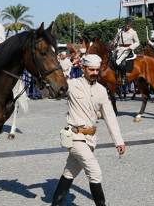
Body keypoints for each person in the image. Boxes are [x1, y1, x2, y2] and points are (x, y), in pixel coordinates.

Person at [51, 54, 125, 206]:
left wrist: (119, 141)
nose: (95, 73)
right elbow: (53, 91)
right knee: (95, 172)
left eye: (97, 70)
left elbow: (110, 117)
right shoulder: (71, 85)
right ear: (83, 68)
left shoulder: (102, 91)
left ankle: (55, 204)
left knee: (69, 172)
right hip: (74, 138)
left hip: (90, 140)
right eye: (91, 70)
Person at [112, 17, 139, 83]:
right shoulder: (120, 31)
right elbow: (115, 40)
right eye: (126, 23)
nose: (127, 25)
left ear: (131, 24)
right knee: (110, 58)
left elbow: (137, 42)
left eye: (129, 23)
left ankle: (123, 77)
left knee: (118, 61)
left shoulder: (133, 32)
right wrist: (114, 43)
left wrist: (131, 47)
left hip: (127, 49)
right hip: (119, 48)